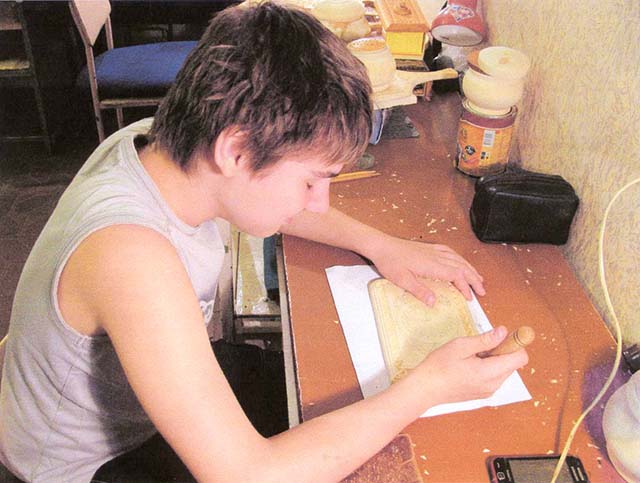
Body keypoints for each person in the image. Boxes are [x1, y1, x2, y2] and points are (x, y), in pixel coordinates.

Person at [0, 3, 528, 482]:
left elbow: (262, 200)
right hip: (88, 464)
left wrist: (381, 244)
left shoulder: (160, 144)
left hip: (131, 408)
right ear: (236, 151)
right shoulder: (133, 259)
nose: (318, 203)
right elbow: (244, 475)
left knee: (318, 393)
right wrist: (427, 388)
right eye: (311, 181)